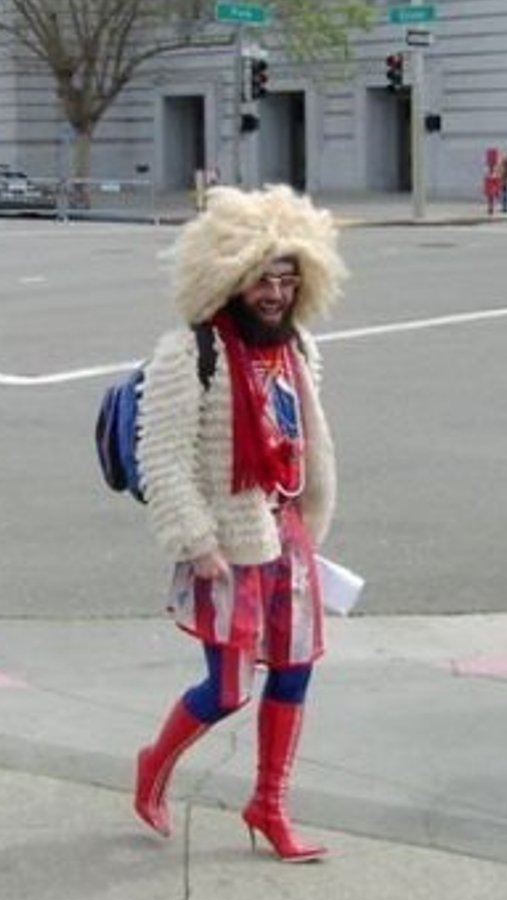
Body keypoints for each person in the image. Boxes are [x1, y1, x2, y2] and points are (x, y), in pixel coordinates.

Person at [133, 184, 347, 862]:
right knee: (227, 691)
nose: (276, 294)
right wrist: (198, 543)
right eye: (263, 279)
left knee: (295, 671)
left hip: (288, 535)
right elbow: (162, 456)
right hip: (225, 545)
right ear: (229, 278)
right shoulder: (190, 352)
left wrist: (307, 515)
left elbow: (302, 435)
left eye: (288, 279)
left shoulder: (297, 347)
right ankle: (153, 765)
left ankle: (269, 805)